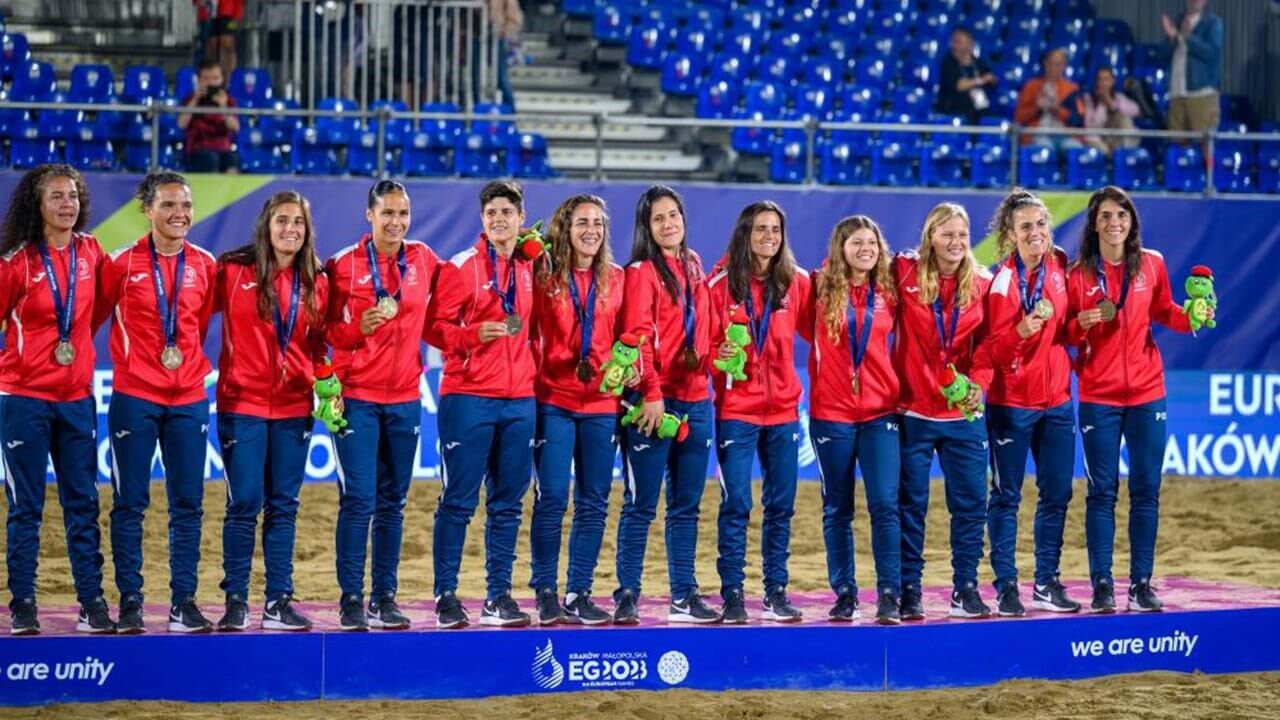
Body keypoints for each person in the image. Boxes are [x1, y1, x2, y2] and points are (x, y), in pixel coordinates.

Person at [1065, 186, 1202, 614]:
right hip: (1098, 396)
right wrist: (1082, 324)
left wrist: (1192, 317)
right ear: (1094, 224)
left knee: (1147, 490)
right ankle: (1103, 584)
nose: (1114, 222)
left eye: (1121, 214)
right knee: (1101, 492)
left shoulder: (1153, 264)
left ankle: (1141, 584)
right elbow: (1066, 335)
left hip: (1147, 392)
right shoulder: (1077, 274)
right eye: (1105, 216)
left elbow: (1165, 312)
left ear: (1132, 221)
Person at [99, 170, 219, 634]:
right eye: (168, 205)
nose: (179, 214)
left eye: (185, 205)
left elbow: (199, 323)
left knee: (187, 503)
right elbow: (92, 318)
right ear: (146, 210)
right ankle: (130, 601)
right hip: (134, 396)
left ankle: (183, 603)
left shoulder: (206, 265)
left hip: (189, 397)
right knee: (130, 502)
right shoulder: (120, 264)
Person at [0, 164, 114, 636]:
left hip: (75, 400)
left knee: (83, 503)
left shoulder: (91, 252)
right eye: (56, 197)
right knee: (26, 506)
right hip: (24, 398)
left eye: (72, 196)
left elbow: (100, 308)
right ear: (37, 204)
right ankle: (23, 605)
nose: (67, 204)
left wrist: (74, 353)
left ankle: (91, 602)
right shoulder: (16, 262)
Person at [324, 179, 438, 631]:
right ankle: (351, 599)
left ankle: (383, 598)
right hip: (357, 399)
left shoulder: (424, 259)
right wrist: (356, 328)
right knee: (358, 501)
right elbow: (326, 330)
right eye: (387, 213)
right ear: (368, 214)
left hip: (406, 398)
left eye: (403, 214)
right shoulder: (342, 265)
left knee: (393, 502)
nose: (396, 222)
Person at [213, 191, 329, 632]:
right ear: (266, 225)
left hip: (294, 406)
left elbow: (318, 342)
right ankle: (236, 602)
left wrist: (327, 379)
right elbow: (189, 318)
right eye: (282, 221)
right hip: (241, 405)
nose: (290, 230)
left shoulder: (316, 278)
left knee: (284, 505)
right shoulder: (232, 270)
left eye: (298, 223)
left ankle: (278, 601)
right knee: (244, 502)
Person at [426, 180, 537, 629]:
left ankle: (498, 597)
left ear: (520, 218)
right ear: (482, 219)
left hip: (519, 401)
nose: (498, 220)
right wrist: (472, 336)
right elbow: (434, 330)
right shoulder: (461, 266)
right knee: (458, 501)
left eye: (506, 212)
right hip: (468, 397)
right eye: (491, 213)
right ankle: (446, 597)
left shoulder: (533, 267)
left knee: (508, 503)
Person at [614, 185, 718, 625]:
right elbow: (636, 336)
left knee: (685, 506)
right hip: (654, 403)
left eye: (673, 215)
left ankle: (683, 595)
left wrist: (717, 360)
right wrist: (652, 394)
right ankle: (627, 595)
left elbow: (705, 329)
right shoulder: (639, 271)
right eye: (659, 219)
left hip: (696, 400)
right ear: (646, 226)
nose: (668, 224)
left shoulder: (693, 265)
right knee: (641, 503)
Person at [707, 201, 811, 624]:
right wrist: (719, 353)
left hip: (784, 410)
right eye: (761, 228)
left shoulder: (797, 283)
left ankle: (775, 591)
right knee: (737, 504)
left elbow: (823, 330)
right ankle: (733, 594)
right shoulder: (719, 286)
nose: (769, 236)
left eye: (776, 229)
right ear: (745, 233)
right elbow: (703, 348)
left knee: (781, 505)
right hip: (737, 410)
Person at [527, 194, 627, 626]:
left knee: (594, 502)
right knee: (551, 498)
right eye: (582, 222)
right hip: (554, 401)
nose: (591, 230)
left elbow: (629, 339)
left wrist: (630, 369)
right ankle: (546, 592)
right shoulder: (543, 275)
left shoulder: (617, 278)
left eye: (598, 223)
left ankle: (579, 591)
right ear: (564, 228)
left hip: (603, 404)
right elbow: (524, 328)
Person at [982, 190, 1080, 618]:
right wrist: (1021, 329)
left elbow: (1068, 329)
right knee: (1006, 496)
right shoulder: (1001, 285)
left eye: (1041, 224)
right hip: (1012, 405)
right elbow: (991, 352)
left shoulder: (1060, 265)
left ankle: (1046, 581)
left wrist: (1084, 325)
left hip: (1057, 402)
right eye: (1025, 227)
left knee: (1056, 494)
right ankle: (1006, 587)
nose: (1035, 233)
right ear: (1010, 233)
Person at [894, 202, 994, 621]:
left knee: (971, 504)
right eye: (946, 234)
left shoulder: (984, 284)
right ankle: (909, 589)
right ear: (930, 236)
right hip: (913, 411)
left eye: (962, 235)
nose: (955, 243)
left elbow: (989, 346)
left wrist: (979, 387)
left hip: (961, 416)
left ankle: (965, 587)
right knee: (910, 504)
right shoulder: (902, 271)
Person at [805, 215, 902, 625]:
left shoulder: (891, 291)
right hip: (831, 414)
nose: (866, 248)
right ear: (839, 247)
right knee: (837, 508)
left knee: (884, 504)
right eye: (856, 242)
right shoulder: (817, 287)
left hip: (881, 412)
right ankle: (844, 592)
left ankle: (889, 593)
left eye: (872, 242)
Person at [1162, 0, 1223, 156]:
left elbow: (1211, 54)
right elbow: (1161, 55)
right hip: (1177, 91)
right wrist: (1172, 38)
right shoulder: (1177, 21)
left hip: (1201, 93)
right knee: (1179, 142)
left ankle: (1210, 179)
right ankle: (1184, 178)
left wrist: (1188, 37)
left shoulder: (1212, 23)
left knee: (1205, 143)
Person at [178, 59, 240, 174]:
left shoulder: (229, 101)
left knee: (233, 160)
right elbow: (181, 124)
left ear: (222, 80)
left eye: (215, 78)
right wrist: (195, 100)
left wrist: (223, 106)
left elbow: (235, 127)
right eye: (206, 79)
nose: (211, 83)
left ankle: (231, 192)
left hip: (223, 149)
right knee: (211, 159)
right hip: (198, 150)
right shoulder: (190, 99)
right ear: (199, 80)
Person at [1014, 48, 1081, 150]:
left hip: (1064, 134)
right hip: (1038, 134)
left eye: (1058, 64)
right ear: (1045, 64)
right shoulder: (1031, 86)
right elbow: (1019, 118)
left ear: (1064, 66)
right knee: (1045, 148)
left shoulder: (1071, 89)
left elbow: (1077, 120)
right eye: (1050, 63)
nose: (1053, 68)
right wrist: (1037, 108)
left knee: (1076, 148)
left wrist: (1058, 111)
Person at [1072, 67, 1141, 156]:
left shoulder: (1118, 97)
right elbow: (1089, 125)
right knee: (1103, 149)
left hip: (1115, 138)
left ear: (1112, 82)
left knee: (1123, 118)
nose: (1102, 83)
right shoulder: (1088, 98)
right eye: (1099, 79)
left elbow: (1136, 111)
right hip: (1095, 138)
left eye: (1106, 79)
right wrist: (1101, 104)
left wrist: (1110, 103)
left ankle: (1124, 155)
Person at [936, 27, 997, 125]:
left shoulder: (978, 63)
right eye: (954, 41)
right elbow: (958, 85)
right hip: (955, 112)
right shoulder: (948, 63)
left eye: (959, 41)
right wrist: (980, 81)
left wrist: (990, 79)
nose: (954, 45)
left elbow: (992, 79)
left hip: (979, 111)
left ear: (970, 43)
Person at [194, 0, 244, 77]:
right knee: (211, 47)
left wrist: (237, 15)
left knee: (228, 44)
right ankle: (212, 77)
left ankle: (230, 79)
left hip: (229, 12)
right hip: (208, 13)